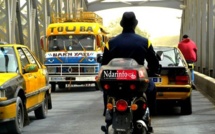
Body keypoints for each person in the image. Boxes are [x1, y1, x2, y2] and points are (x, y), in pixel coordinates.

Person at [101, 11, 160, 129]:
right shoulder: (145, 42)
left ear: (122, 24)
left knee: (107, 91)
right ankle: (150, 115)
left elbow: (104, 64)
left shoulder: (111, 43)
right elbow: (153, 63)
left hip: (115, 82)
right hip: (136, 82)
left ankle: (107, 111)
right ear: (135, 24)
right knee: (152, 87)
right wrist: (154, 70)